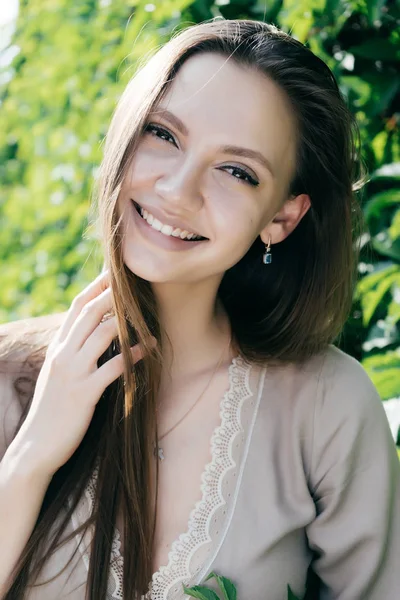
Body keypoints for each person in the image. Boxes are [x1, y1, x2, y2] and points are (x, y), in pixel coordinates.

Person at [0, 17, 399, 600]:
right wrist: (32, 456)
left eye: (236, 172)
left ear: (282, 218)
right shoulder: (9, 378)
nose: (178, 191)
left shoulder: (325, 407)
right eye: (164, 134)